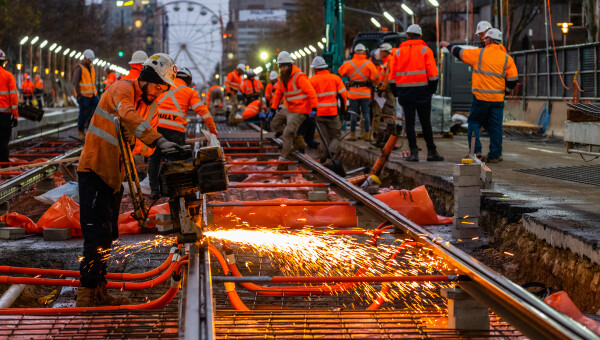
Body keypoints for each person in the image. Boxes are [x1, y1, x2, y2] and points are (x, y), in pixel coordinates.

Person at [76, 53, 182, 307]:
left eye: (162, 89)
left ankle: (99, 288)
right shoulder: (122, 89)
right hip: (94, 169)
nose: (158, 93)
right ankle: (86, 293)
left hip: (114, 176)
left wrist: (154, 145)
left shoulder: (151, 106)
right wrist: (157, 139)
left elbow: (143, 149)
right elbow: (127, 114)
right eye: (157, 86)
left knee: (110, 234)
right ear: (145, 78)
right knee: (95, 235)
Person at [441, 28, 518, 163]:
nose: (484, 40)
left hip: (480, 98)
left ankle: (475, 152)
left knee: (474, 123)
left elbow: (460, 53)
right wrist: (505, 91)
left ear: (489, 40)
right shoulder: (507, 58)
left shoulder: (480, 54)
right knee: (496, 126)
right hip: (498, 99)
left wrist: (448, 45)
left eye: (485, 38)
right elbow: (513, 80)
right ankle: (495, 154)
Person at [146, 67, 218, 199]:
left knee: (154, 158)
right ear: (189, 80)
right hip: (175, 130)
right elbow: (202, 111)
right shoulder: (189, 91)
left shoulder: (163, 87)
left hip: (155, 127)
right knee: (177, 161)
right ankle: (176, 192)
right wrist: (212, 129)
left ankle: (155, 191)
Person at [390, 24, 443, 162]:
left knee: (410, 123)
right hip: (422, 92)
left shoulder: (397, 52)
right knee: (426, 122)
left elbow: (392, 76)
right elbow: (433, 74)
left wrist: (396, 92)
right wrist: (431, 90)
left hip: (405, 92)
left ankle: (414, 153)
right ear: (420, 36)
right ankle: (432, 152)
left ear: (407, 35)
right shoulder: (426, 50)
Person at [268, 51, 317, 170]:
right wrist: (273, 109)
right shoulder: (281, 79)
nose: (283, 68)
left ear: (290, 65)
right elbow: (278, 94)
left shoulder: (299, 77)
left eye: (285, 66)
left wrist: (314, 108)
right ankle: (297, 139)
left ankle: (283, 158)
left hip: (300, 110)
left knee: (287, 132)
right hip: (289, 108)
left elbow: (311, 93)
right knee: (274, 124)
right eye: (281, 66)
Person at [309, 56, 347, 163]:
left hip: (319, 114)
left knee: (323, 138)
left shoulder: (311, 81)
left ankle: (323, 158)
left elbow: (308, 98)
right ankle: (331, 154)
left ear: (315, 69)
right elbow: (344, 95)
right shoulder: (335, 78)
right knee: (336, 136)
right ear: (326, 67)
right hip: (332, 113)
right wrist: (344, 110)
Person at [338, 43, 379, 141]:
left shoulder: (349, 63)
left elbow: (341, 72)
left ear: (354, 52)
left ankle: (352, 135)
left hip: (353, 93)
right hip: (365, 93)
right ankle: (367, 135)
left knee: (353, 113)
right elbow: (375, 77)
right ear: (365, 52)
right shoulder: (369, 64)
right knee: (366, 114)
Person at [73, 49, 100, 140]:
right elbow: (76, 82)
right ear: (84, 58)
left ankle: (88, 122)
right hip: (84, 96)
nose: (90, 61)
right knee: (83, 113)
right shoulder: (79, 68)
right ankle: (80, 131)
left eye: (91, 60)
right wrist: (79, 94)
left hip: (93, 95)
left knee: (98, 108)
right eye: (89, 60)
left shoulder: (92, 67)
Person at [0, 49, 18, 167]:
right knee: (2, 143)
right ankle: (4, 169)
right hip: (4, 116)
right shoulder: (8, 76)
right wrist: (15, 116)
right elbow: (13, 98)